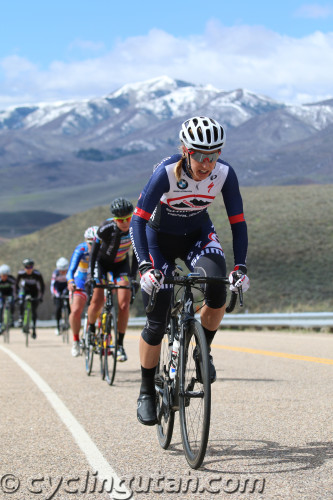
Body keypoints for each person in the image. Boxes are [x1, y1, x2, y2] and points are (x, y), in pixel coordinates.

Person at [130, 116, 250, 425]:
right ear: (185, 150)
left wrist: (240, 267)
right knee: (156, 322)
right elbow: (137, 220)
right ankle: (146, 390)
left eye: (214, 155)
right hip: (159, 242)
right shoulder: (167, 172)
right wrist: (145, 265)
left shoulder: (224, 174)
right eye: (199, 154)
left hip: (197, 235)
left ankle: (201, 350)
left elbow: (238, 223)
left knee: (216, 288)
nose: (207, 163)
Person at [87, 197, 138, 362]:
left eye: (127, 218)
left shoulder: (136, 227)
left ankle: (120, 345)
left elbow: (136, 254)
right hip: (101, 264)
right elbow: (94, 253)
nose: (124, 222)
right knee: (96, 300)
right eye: (120, 219)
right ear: (114, 219)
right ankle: (91, 329)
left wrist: (133, 277)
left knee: (124, 304)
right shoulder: (105, 228)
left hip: (120, 265)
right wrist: (90, 275)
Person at [67, 226, 98, 357]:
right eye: (91, 243)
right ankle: (75, 341)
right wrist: (70, 281)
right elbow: (71, 270)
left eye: (97, 243)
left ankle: (101, 337)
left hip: (96, 280)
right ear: (86, 241)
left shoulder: (104, 250)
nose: (93, 246)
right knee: (75, 311)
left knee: (101, 308)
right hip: (81, 280)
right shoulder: (81, 249)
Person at [16, 258, 45, 339]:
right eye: (27, 267)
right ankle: (21, 318)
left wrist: (41, 297)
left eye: (30, 267)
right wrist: (17, 295)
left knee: (34, 311)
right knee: (21, 301)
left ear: (33, 267)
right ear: (24, 267)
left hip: (34, 291)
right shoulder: (21, 273)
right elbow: (16, 285)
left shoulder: (37, 274)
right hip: (24, 290)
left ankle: (34, 330)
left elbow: (42, 286)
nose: (28, 269)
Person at [50, 257, 70, 335]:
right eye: (61, 271)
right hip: (58, 289)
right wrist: (56, 294)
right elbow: (52, 286)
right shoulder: (55, 273)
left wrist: (67, 292)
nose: (62, 272)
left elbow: (71, 283)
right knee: (58, 308)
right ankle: (58, 326)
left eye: (64, 271)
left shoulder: (69, 272)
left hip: (66, 288)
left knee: (70, 307)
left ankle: (69, 321)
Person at [0, 264, 16, 333]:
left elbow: (16, 289)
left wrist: (15, 297)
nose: (4, 277)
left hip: (10, 293)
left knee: (12, 303)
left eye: (5, 275)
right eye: (2, 275)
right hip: (1, 294)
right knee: (0, 307)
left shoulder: (12, 279)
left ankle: (11, 317)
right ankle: (0, 323)